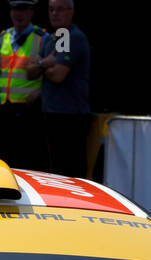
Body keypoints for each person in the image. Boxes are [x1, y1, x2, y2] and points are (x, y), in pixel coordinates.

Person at [31, 0, 91, 177]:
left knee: (70, 172)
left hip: (70, 116)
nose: (54, 13)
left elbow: (58, 75)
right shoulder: (53, 38)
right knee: (55, 171)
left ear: (71, 12)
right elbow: (29, 72)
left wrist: (40, 64)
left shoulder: (72, 36)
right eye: (51, 9)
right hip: (53, 113)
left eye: (60, 9)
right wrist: (44, 64)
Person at [0, 0, 46, 170]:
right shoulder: (3, 37)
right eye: (15, 9)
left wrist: (41, 92)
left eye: (23, 9)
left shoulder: (42, 38)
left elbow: (54, 71)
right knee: (4, 160)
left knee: (28, 160)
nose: (19, 14)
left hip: (28, 109)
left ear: (31, 12)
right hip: (4, 108)